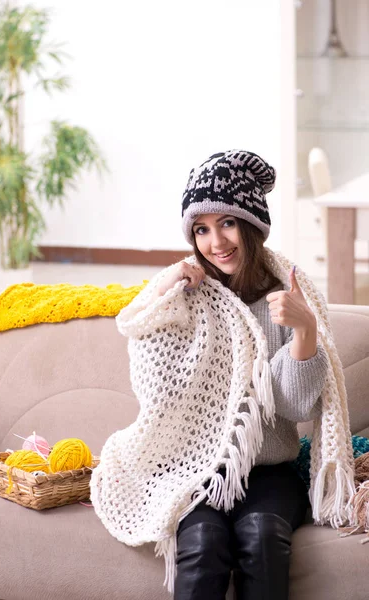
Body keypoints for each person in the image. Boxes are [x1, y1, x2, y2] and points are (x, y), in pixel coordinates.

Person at [91, 150, 355, 600]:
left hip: (271, 470)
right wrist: (165, 284)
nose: (216, 242)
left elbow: (292, 407)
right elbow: (152, 369)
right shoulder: (187, 296)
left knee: (262, 538)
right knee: (203, 543)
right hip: (197, 470)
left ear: (252, 224)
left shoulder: (290, 291)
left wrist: (304, 329)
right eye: (201, 229)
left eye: (227, 223)